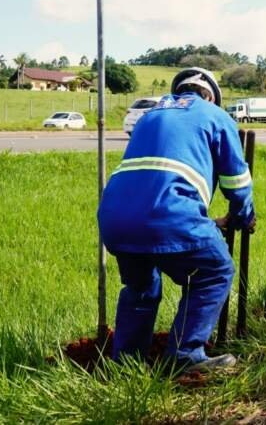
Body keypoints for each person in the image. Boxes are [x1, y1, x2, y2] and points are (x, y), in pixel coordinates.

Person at [98, 67, 255, 370]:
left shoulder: (149, 116)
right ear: (210, 95)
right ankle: (185, 356)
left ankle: (126, 364)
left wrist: (209, 223)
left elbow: (156, 177)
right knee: (214, 271)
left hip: (116, 216)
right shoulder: (214, 115)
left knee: (140, 289)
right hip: (170, 215)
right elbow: (236, 180)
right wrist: (242, 215)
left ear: (179, 90)